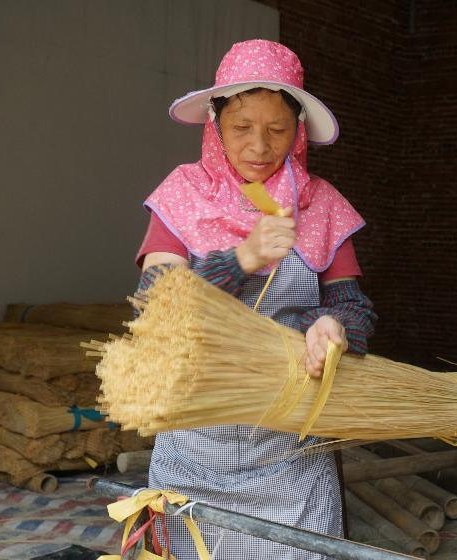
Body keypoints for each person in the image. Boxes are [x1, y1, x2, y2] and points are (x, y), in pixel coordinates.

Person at [134, 39, 377, 559]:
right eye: (242, 127)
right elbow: (155, 306)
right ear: (215, 124)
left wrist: (333, 327)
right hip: (194, 447)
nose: (259, 147)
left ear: (298, 131)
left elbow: (355, 309)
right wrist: (242, 258)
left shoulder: (323, 206)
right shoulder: (182, 194)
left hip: (291, 453)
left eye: (277, 129)